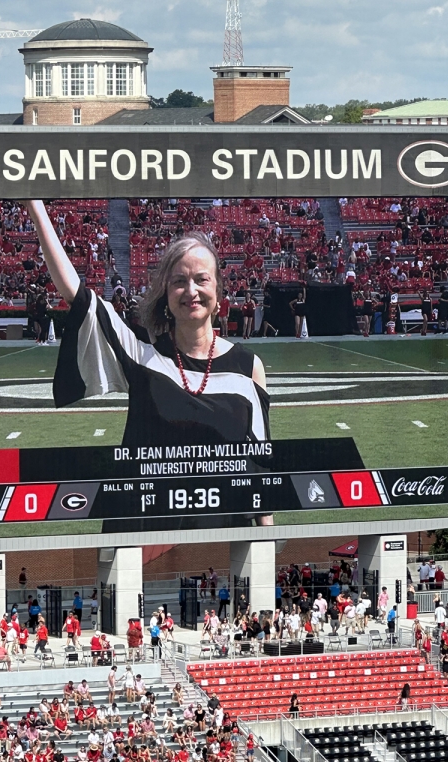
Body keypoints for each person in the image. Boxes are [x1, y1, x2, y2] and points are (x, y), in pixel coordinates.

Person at [26, 203, 272, 532]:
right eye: (179, 282)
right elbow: (78, 296)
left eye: (202, 279)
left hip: (224, 540)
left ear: (218, 291)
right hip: (145, 542)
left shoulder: (249, 367)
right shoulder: (144, 359)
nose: (191, 291)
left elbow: (260, 464)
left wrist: (266, 542)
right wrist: (35, 204)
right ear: (166, 296)